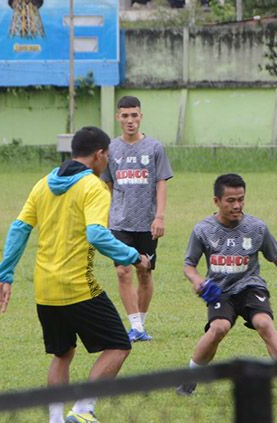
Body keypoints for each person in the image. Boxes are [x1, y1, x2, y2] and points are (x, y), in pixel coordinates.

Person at [0, 126, 151, 423]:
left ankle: (55, 420)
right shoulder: (93, 187)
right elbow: (96, 234)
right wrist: (132, 257)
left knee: (63, 353)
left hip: (45, 289)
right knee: (119, 345)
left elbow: (19, 229)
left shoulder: (43, 184)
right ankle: (82, 409)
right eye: (108, 156)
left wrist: (4, 274)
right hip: (78, 287)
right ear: (100, 154)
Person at [176, 173, 277, 400]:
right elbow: (189, 265)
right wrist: (198, 280)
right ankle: (190, 378)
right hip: (219, 290)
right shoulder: (203, 230)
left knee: (264, 323)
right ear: (216, 201)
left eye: (241, 199)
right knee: (219, 328)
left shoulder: (256, 228)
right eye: (230, 201)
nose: (237, 205)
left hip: (250, 286)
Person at [101, 96, 173, 342]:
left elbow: (161, 183)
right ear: (117, 118)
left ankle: (140, 324)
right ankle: (134, 326)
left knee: (145, 271)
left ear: (141, 116)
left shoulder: (155, 148)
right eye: (125, 116)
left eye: (134, 115)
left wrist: (159, 217)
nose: (130, 120)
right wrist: (108, 215)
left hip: (147, 222)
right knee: (123, 271)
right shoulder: (110, 150)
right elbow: (107, 185)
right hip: (119, 223)